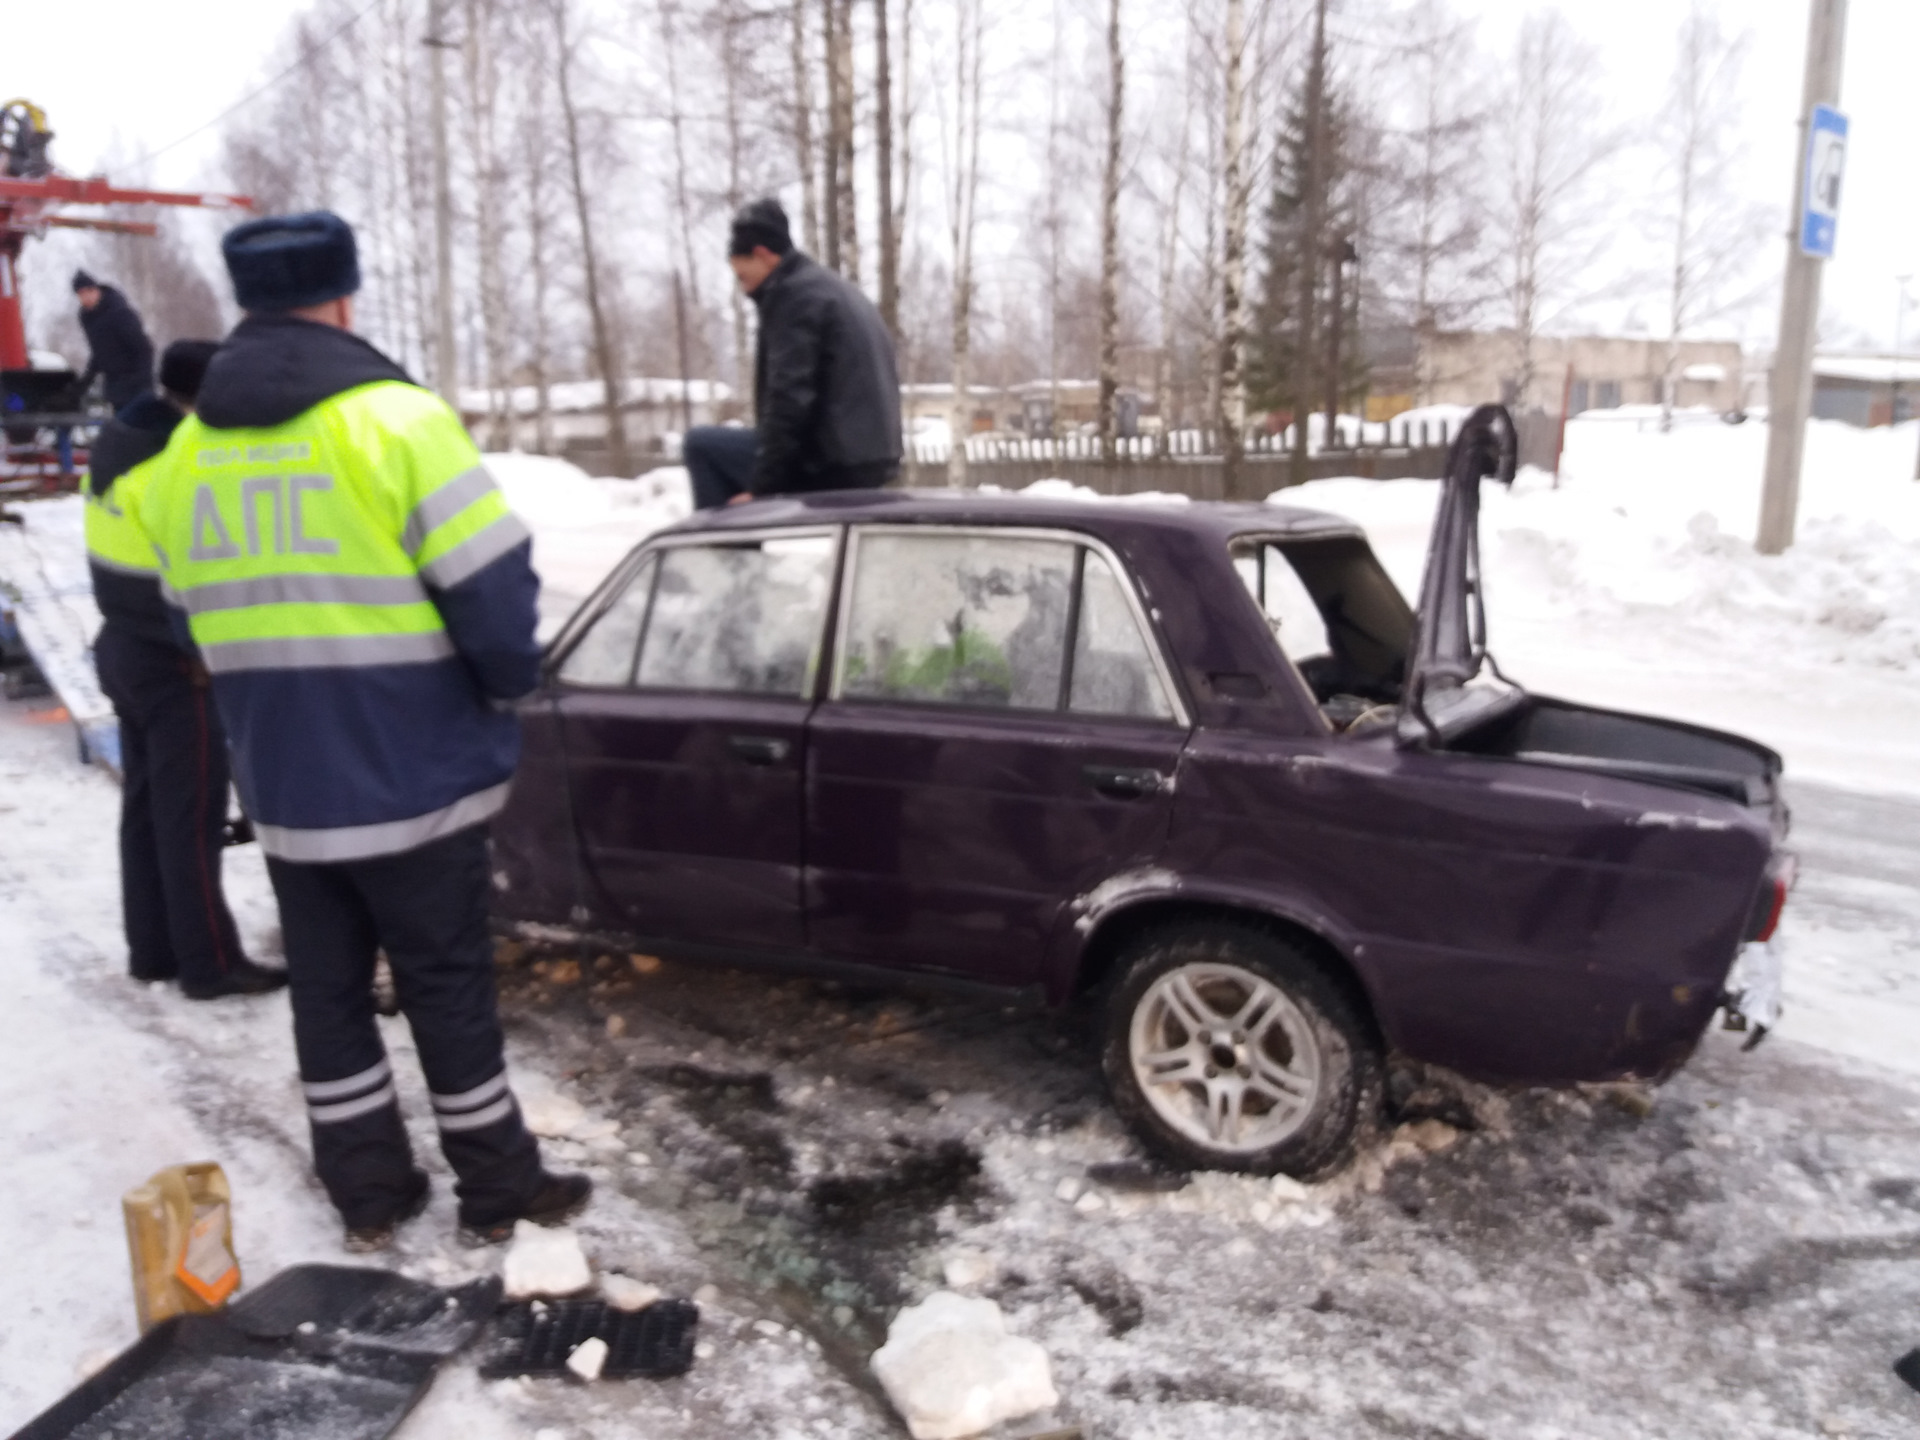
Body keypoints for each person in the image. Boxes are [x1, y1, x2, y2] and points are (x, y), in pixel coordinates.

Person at [140, 211, 587, 1251]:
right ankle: (496, 1186)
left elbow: (182, 618)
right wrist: (508, 683)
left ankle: (369, 1191)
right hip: (414, 769)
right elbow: (488, 588)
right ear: (344, 298)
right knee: (444, 982)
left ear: (249, 303)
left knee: (328, 994)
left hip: (290, 787)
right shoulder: (395, 420)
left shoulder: (188, 451)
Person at [85, 339, 283, 1000]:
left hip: (121, 647)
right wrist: (205, 652)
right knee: (192, 817)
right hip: (175, 664)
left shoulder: (120, 443)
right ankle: (209, 963)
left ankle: (154, 951)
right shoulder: (177, 463)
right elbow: (189, 568)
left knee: (145, 812)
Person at [683, 197, 902, 508]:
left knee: (701, 445)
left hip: (833, 464)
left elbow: (789, 400)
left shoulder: (793, 297)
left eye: (742, 276)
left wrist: (761, 488)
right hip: (871, 459)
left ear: (762, 255)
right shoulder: (834, 289)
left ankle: (728, 553)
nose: (744, 290)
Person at [72, 270, 156, 412]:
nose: (86, 297)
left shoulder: (119, 312)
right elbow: (99, 352)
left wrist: (141, 383)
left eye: (89, 291)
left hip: (136, 384)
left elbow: (143, 348)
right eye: (81, 294)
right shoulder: (87, 318)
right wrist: (85, 381)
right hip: (114, 386)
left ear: (96, 290)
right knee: (120, 427)